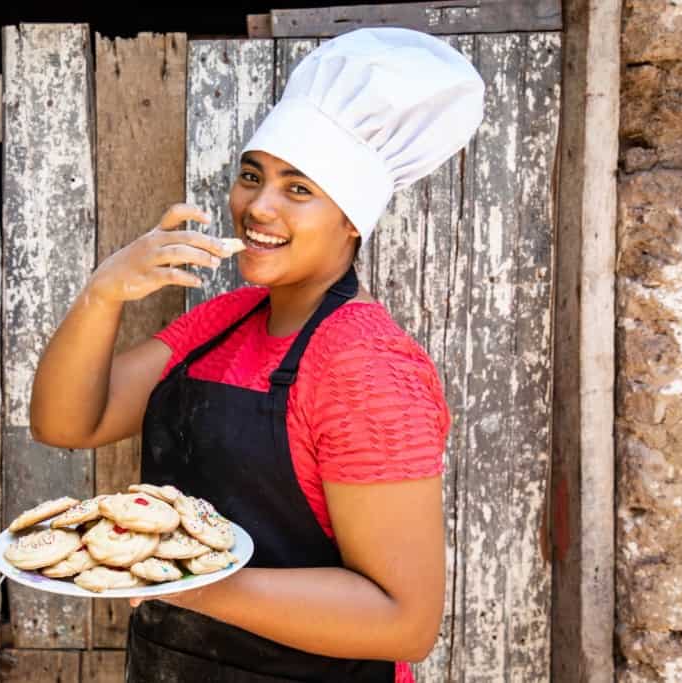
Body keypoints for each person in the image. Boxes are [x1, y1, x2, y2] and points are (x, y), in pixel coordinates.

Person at [30, 27, 484, 683]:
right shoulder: (224, 322)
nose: (257, 206)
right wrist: (104, 292)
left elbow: (405, 621)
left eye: (298, 189)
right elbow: (69, 423)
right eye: (252, 176)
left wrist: (188, 582)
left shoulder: (365, 365)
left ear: (352, 217)